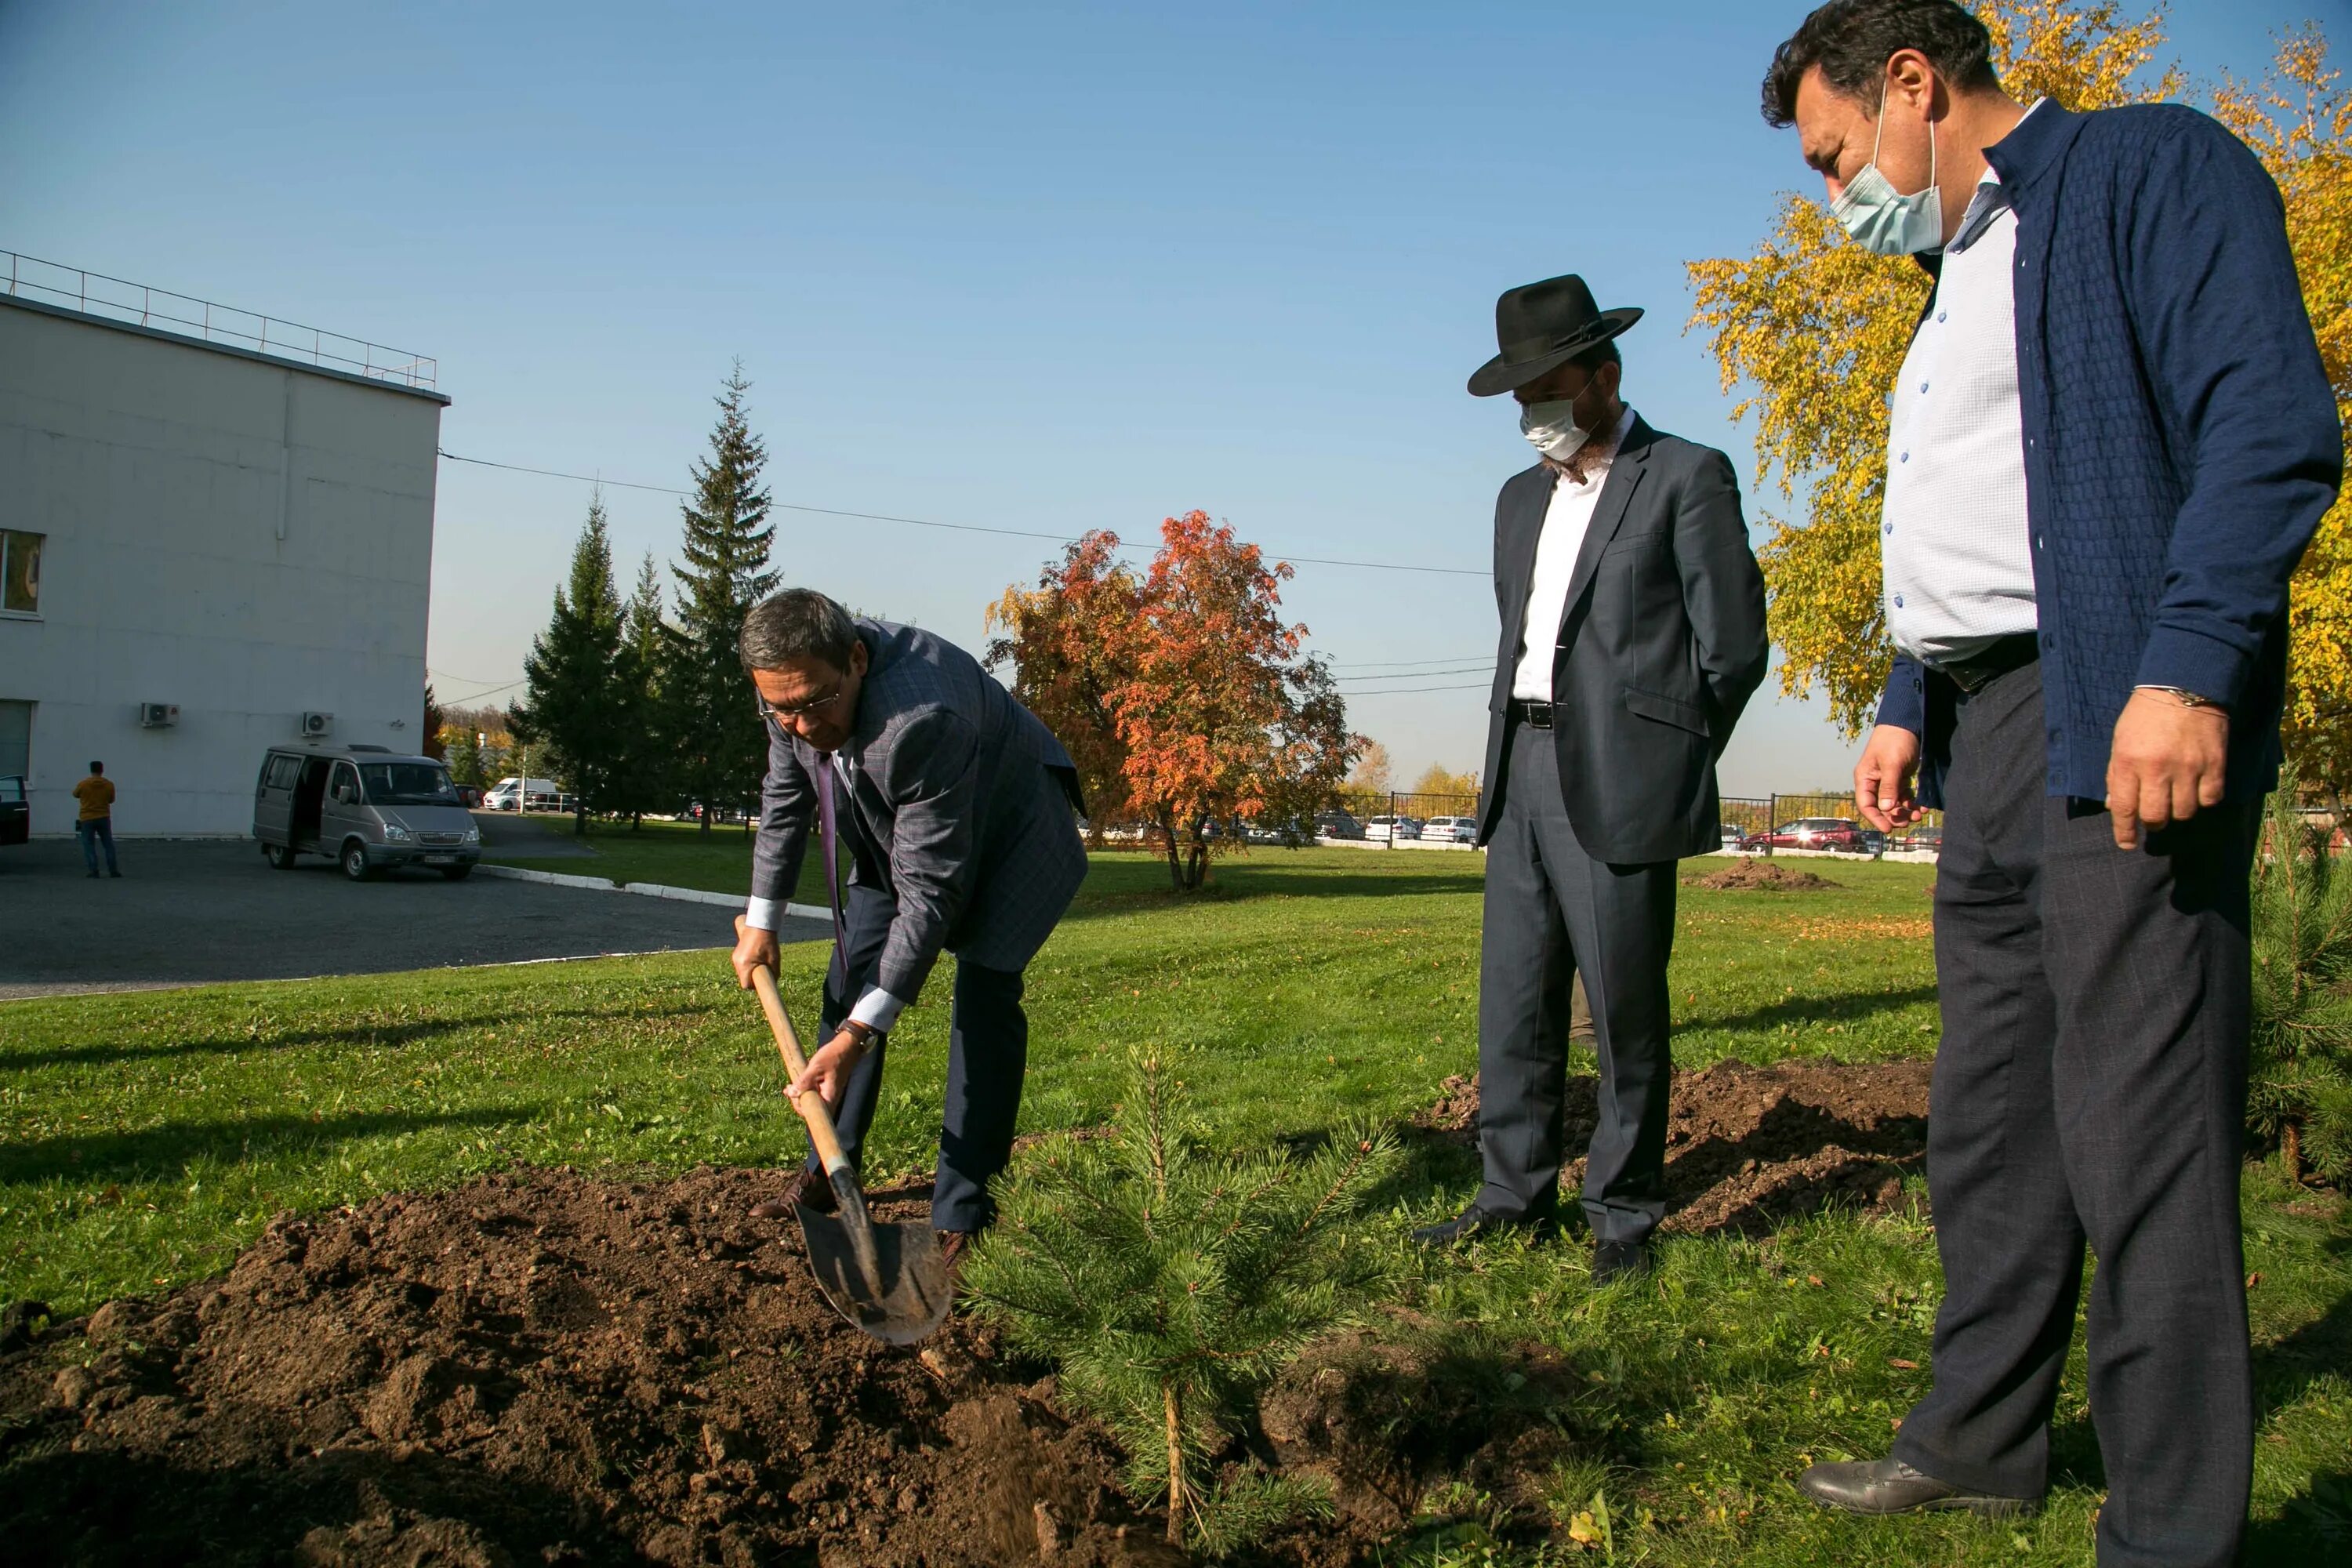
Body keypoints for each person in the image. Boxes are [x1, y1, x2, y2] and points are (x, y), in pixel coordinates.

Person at [1758, 2, 2342, 1559]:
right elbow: (1980, 519)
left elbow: (2268, 425)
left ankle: (2167, 1534)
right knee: (1993, 1115)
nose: (1838, 202)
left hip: (2122, 701)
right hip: (1988, 730)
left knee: (2139, 1133)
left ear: (1909, 86)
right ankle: (1979, 1439)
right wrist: (1902, 698)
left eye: (1834, 160)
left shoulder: (2152, 172)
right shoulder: (1948, 281)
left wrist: (2189, 662)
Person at [1412, 274, 1769, 1283]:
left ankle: (1622, 1214)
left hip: (1621, 775)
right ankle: (1510, 1196)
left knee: (1623, 1009)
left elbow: (1734, 645)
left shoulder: (1686, 475)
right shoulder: (1516, 500)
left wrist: (1671, 750)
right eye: (1520, 401)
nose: (1533, 418)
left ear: (1605, 375)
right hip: (1519, 767)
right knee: (1514, 1002)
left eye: (1549, 392)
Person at [728, 589, 1087, 1264]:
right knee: (851, 973)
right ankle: (832, 1168)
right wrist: (763, 920)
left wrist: (861, 1034)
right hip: (907, 832)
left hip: (1013, 834)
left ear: (857, 660)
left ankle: (963, 1212)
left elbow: (929, 894)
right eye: (781, 708)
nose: (800, 725)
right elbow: (784, 799)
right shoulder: (791, 693)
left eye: (814, 704)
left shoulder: (924, 718)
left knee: (982, 1003)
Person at [72, 760, 120, 879]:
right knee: (108, 844)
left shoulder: (83, 784)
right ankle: (113, 870)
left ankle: (94, 870)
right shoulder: (109, 785)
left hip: (87, 818)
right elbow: (111, 800)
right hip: (103, 817)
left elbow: (75, 794)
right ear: (102, 770)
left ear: (91, 770)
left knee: (89, 845)